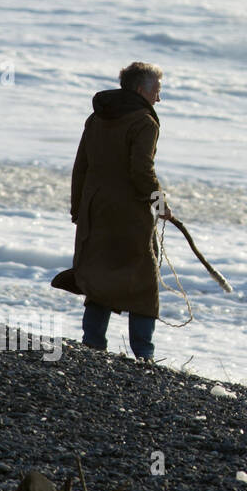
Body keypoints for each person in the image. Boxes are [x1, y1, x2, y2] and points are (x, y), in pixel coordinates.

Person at [60, 62, 172, 360]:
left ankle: (93, 344)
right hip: (128, 214)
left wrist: (78, 209)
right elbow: (141, 171)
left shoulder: (97, 117)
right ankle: (144, 355)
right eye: (157, 91)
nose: (159, 99)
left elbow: (80, 167)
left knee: (99, 277)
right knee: (144, 281)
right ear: (140, 90)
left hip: (95, 209)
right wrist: (160, 205)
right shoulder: (144, 123)